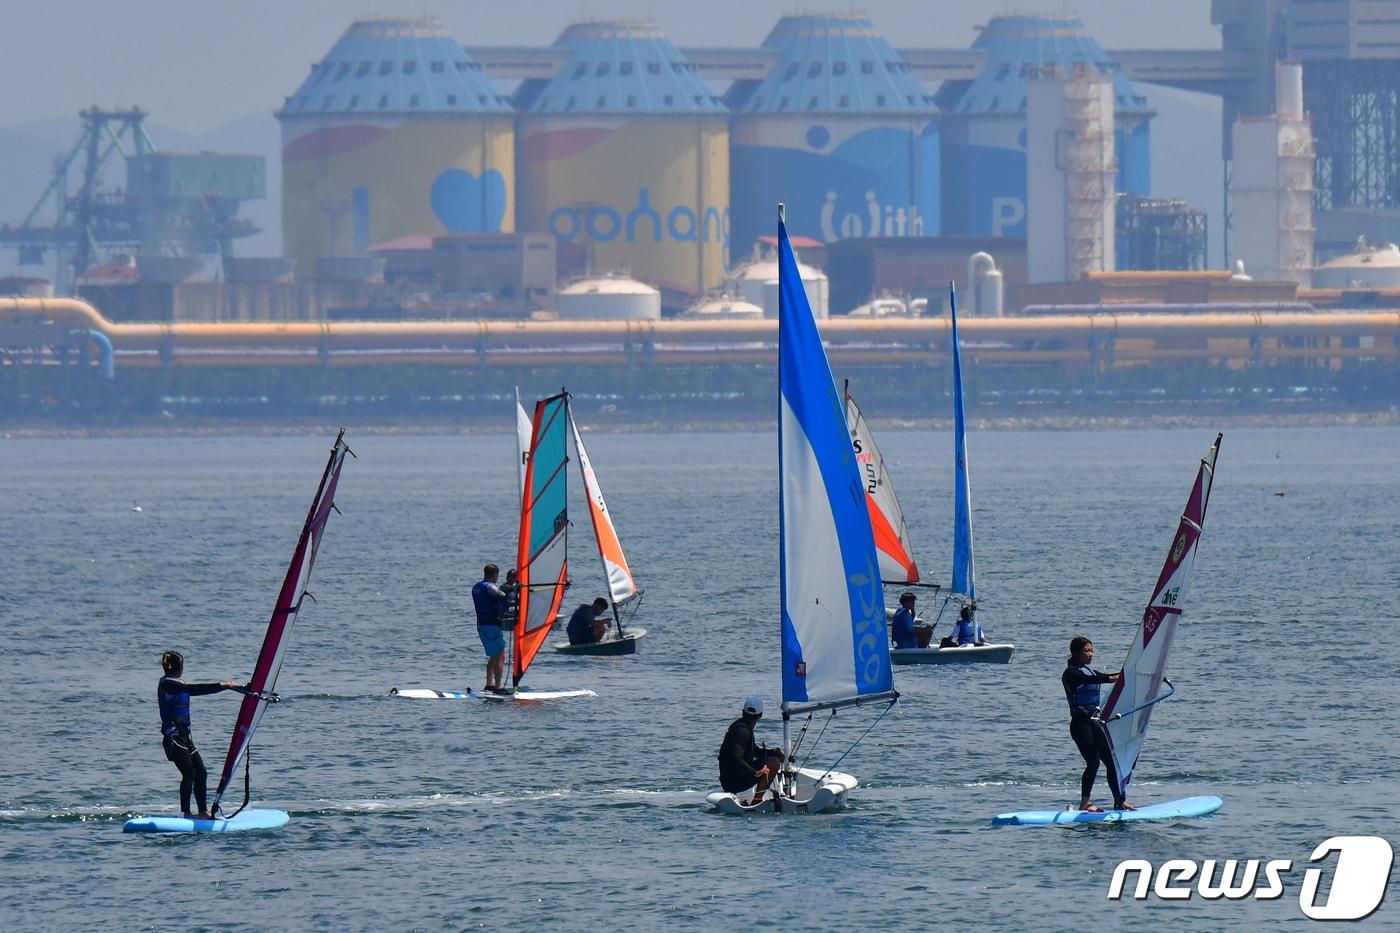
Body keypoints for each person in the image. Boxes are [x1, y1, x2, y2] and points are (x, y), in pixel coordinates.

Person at [156, 650, 241, 820]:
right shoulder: (168, 685)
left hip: (185, 738)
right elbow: (195, 689)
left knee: (201, 772)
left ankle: (203, 812)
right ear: (178, 667)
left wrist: (233, 688)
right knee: (189, 772)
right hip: (173, 739)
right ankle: (186, 813)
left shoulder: (178, 684)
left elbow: (193, 689)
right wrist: (222, 685)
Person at [1062, 636, 1136, 812]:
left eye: (1091, 650)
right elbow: (1099, 680)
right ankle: (1085, 802)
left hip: (1094, 723)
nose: (1091, 654)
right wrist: (1118, 677)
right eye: (1086, 651)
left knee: (1111, 761)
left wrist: (1131, 674)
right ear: (1075, 653)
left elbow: (1107, 677)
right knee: (1093, 761)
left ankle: (1119, 800)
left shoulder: (1090, 671)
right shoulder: (1071, 674)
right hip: (1080, 725)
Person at [717, 696, 785, 806]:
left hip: (731, 777)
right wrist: (754, 772)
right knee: (773, 763)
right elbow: (735, 756)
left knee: (771, 758)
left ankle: (756, 798)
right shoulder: (743, 731)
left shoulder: (742, 726)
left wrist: (773, 752)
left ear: (743, 712)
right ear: (760, 715)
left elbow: (754, 751)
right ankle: (756, 802)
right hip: (733, 782)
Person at [472, 564, 511, 693]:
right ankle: (498, 687)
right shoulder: (489, 586)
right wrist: (512, 589)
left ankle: (489, 684)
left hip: (481, 626)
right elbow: (501, 594)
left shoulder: (476, 587)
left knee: (494, 656)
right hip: (492, 626)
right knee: (500, 656)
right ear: (495, 575)